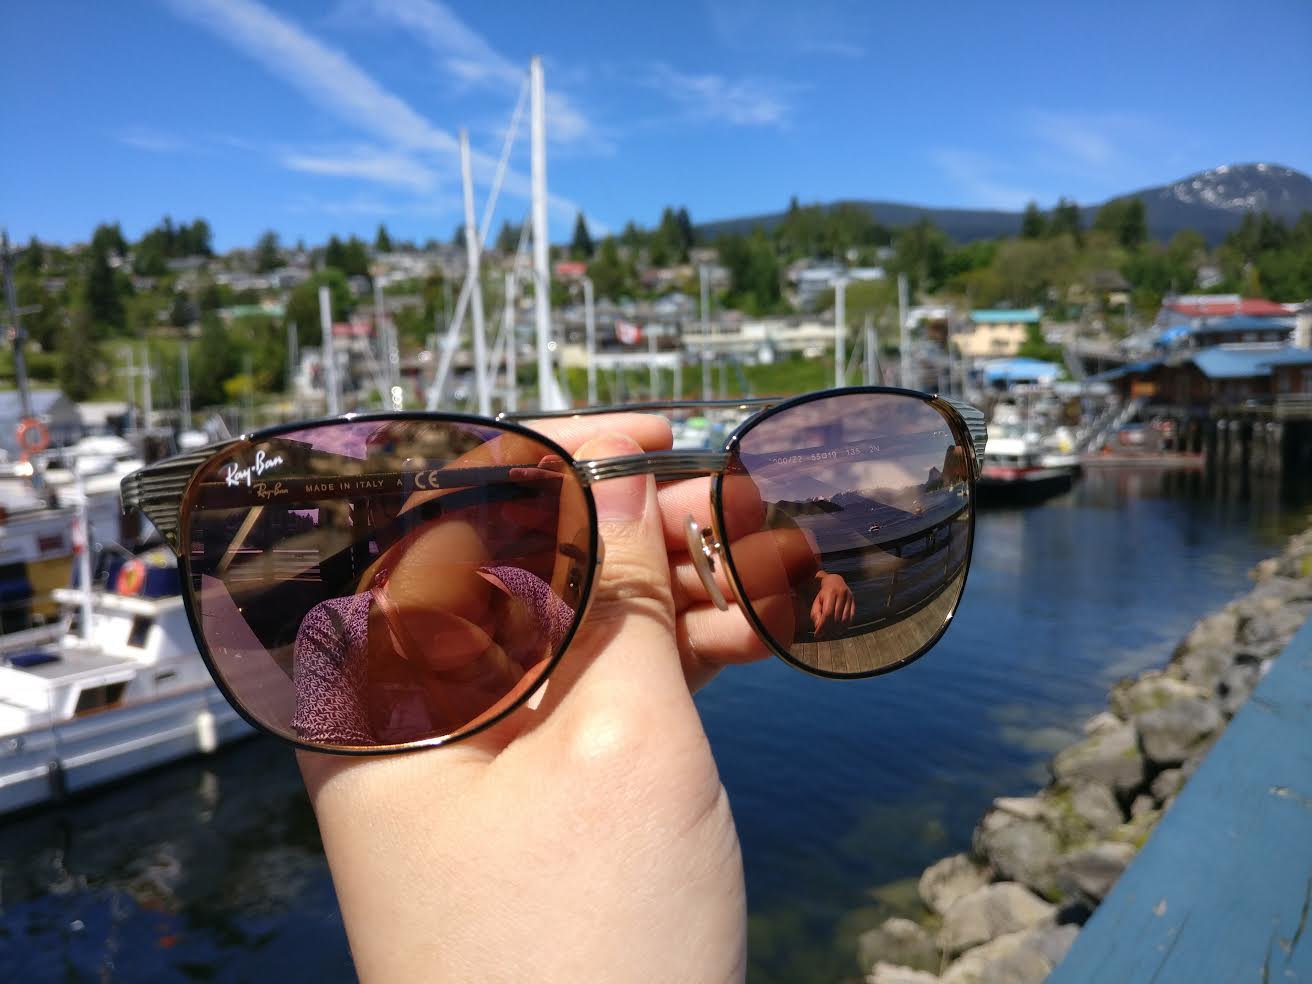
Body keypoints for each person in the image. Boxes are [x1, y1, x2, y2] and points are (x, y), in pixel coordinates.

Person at [297, 414, 762, 982]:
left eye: (501, 500)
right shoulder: (338, 632)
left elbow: (586, 657)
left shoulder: (521, 591)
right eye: (410, 503)